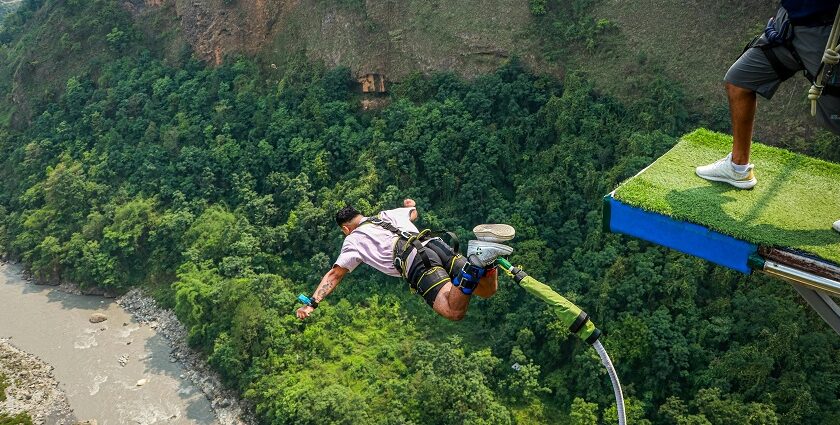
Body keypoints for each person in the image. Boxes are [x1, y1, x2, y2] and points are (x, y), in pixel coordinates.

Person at [695, 0, 840, 233]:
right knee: (739, 81)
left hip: (825, 31)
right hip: (789, 24)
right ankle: (738, 168)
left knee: (836, 119)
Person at [295, 199, 515, 321]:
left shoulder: (353, 240)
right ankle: (485, 257)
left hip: (416, 261)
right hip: (436, 244)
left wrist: (313, 303)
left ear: (346, 228)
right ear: (360, 216)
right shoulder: (386, 215)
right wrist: (410, 203)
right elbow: (413, 212)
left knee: (453, 311)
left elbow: (334, 274)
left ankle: (475, 264)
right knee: (486, 290)